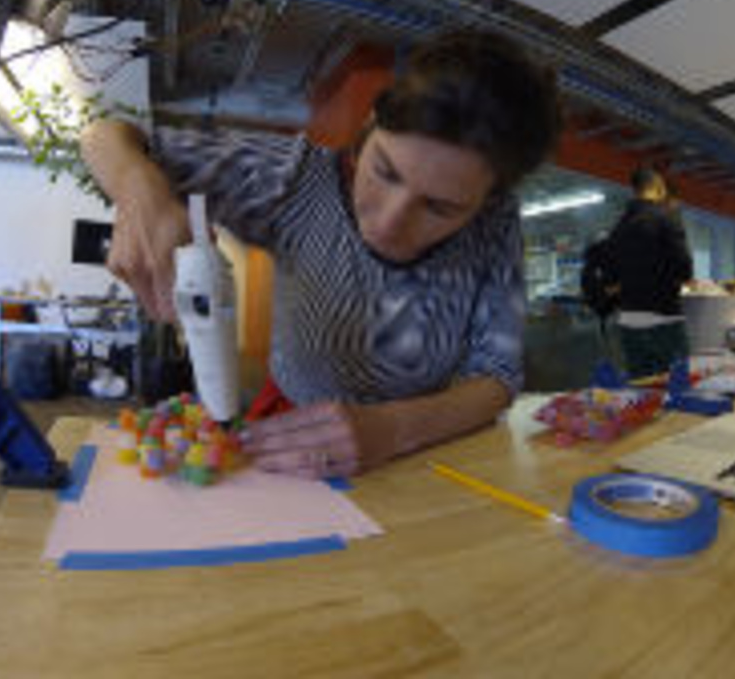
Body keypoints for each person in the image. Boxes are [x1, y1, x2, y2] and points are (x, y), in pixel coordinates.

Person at [79, 29, 561, 478]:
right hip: (291, 427)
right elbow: (104, 136)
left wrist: (393, 429)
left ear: (486, 201)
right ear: (368, 128)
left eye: (439, 208)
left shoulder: (495, 224)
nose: (388, 222)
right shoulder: (294, 179)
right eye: (385, 171)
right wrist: (138, 187)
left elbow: (497, 375)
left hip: (421, 440)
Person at [608, 165, 693, 378]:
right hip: (664, 319)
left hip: (629, 322)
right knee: (676, 386)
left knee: (642, 389)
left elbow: (612, 277)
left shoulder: (618, 228)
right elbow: (684, 268)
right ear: (658, 187)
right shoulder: (667, 217)